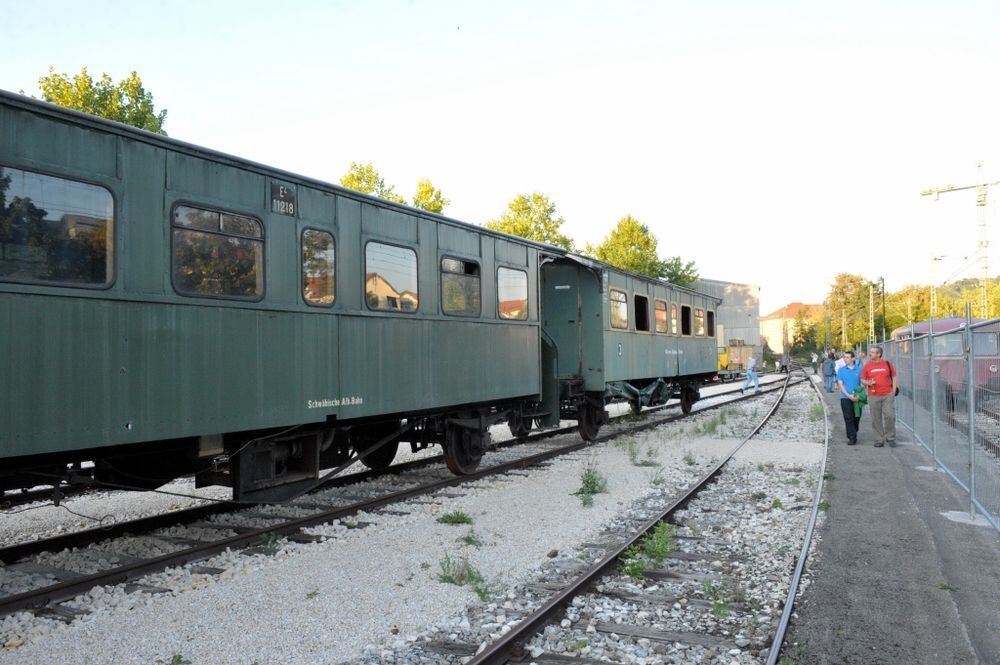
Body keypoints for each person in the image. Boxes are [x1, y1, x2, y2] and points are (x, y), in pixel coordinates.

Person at [861, 345, 897, 447]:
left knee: (890, 416)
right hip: (873, 395)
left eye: (872, 352)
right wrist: (867, 382)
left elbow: (894, 377)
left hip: (887, 394)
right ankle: (879, 439)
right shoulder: (867, 366)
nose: (870, 354)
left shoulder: (887, 364)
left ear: (878, 354)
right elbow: (862, 379)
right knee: (876, 418)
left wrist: (893, 390)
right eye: (870, 352)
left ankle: (890, 437)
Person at [836, 350, 864, 444]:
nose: (845, 359)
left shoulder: (859, 370)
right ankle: (852, 437)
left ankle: (854, 431)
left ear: (853, 358)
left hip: (857, 398)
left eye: (847, 357)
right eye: (844, 357)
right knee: (848, 417)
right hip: (845, 397)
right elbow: (840, 384)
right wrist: (848, 395)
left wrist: (858, 395)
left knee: (857, 417)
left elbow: (863, 383)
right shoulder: (841, 370)